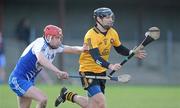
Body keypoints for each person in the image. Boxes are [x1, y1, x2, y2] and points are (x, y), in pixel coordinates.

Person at [54, 7, 146, 108]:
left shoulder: (112, 32)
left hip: (101, 72)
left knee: (93, 105)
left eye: (111, 17)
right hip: (87, 71)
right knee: (101, 102)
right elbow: (96, 58)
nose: (111, 19)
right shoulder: (91, 35)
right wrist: (110, 66)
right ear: (98, 19)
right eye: (107, 17)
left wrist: (131, 52)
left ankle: (67, 95)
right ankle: (67, 95)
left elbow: (119, 48)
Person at [8, 24, 88, 108]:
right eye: (57, 38)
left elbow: (71, 49)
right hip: (18, 79)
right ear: (49, 37)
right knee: (42, 99)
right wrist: (58, 71)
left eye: (60, 37)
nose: (59, 40)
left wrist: (82, 49)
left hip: (28, 81)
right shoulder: (40, 43)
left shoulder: (54, 46)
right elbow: (41, 59)